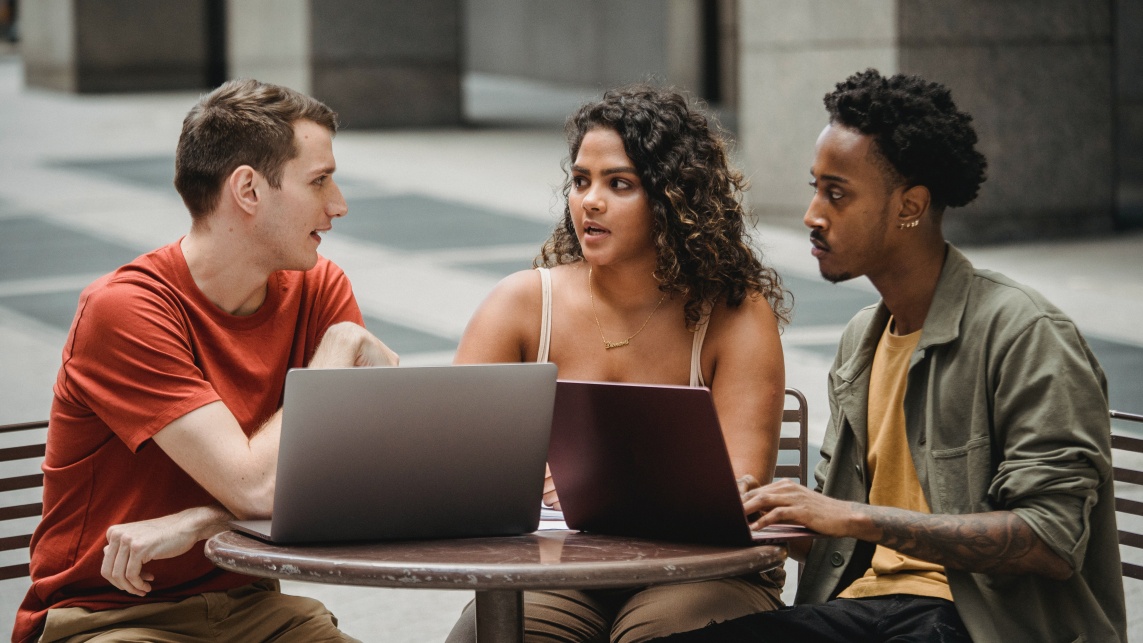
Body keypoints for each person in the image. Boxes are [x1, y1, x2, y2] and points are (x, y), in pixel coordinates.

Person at [652, 70, 1128, 643]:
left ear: (910, 206)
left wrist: (854, 517)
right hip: (866, 611)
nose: (812, 214)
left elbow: (1052, 539)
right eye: (814, 188)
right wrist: (759, 514)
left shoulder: (1025, 334)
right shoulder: (862, 340)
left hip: (984, 625)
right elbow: (836, 534)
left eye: (837, 193)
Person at [13, 79, 398, 643]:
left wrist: (204, 523)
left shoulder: (318, 289)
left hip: (253, 608)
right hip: (113, 619)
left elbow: (351, 482)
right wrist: (335, 355)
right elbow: (256, 488)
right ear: (248, 189)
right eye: (319, 181)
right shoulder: (126, 311)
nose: (337, 205)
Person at [444, 85, 791, 643]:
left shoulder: (735, 314)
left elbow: (739, 487)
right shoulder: (522, 304)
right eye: (581, 181)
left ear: (675, 198)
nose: (590, 201)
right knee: (495, 633)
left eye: (619, 184)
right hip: (560, 568)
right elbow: (453, 454)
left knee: (661, 632)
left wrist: (596, 483)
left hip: (701, 568)